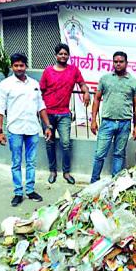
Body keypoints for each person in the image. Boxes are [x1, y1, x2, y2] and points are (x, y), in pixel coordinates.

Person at [0, 53, 52, 207]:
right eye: (16, 65)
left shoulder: (34, 84)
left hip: (32, 128)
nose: (19, 68)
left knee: (31, 162)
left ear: (26, 66)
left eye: (22, 65)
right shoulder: (5, 84)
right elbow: (0, 109)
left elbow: (41, 106)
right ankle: (18, 192)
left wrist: (48, 126)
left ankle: (30, 190)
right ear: (12, 66)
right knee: (16, 162)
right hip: (15, 129)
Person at [39, 43, 90, 185]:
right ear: (56, 55)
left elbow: (82, 83)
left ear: (68, 56)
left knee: (65, 143)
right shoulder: (48, 71)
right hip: (48, 114)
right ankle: (52, 171)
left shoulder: (73, 70)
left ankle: (66, 172)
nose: (63, 56)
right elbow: (40, 92)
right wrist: (39, 111)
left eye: (65, 54)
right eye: (60, 53)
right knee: (49, 142)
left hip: (64, 114)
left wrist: (86, 92)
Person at [90, 51, 136, 183]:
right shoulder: (105, 79)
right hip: (107, 123)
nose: (118, 64)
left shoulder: (133, 82)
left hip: (124, 124)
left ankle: (115, 183)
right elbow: (96, 99)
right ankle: (94, 182)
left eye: (121, 62)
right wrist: (93, 120)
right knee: (99, 154)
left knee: (119, 155)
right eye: (116, 61)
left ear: (126, 63)